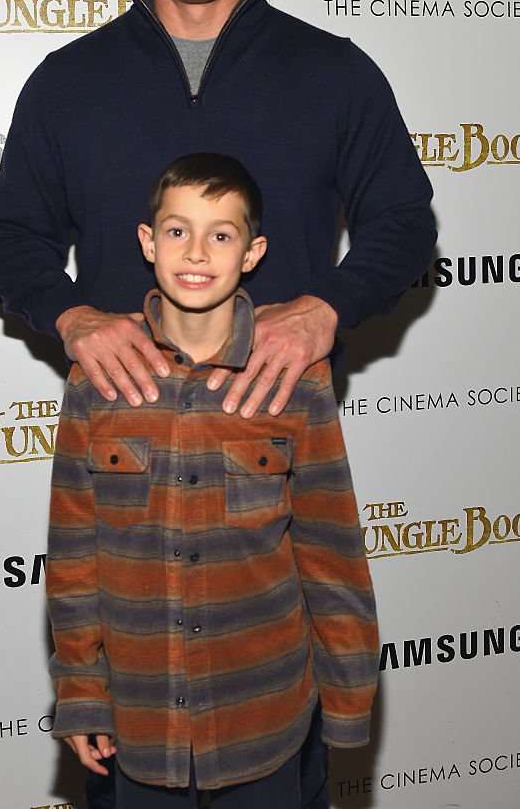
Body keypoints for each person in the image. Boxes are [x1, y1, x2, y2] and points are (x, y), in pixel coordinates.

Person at [0, 0, 436, 807]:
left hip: (271, 480)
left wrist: (326, 308)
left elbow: (403, 224)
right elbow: (9, 238)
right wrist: (73, 318)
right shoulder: (67, 82)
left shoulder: (334, 72)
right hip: (127, 479)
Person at [46, 153, 379, 809]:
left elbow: (330, 553)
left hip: (265, 720)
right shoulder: (97, 382)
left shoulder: (295, 382)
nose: (196, 252)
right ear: (147, 241)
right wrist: (83, 694)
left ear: (252, 252)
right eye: (177, 231)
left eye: (220, 235)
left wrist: (347, 704)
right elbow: (74, 557)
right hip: (139, 725)